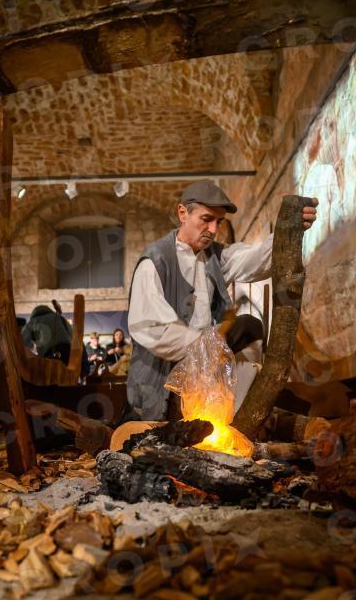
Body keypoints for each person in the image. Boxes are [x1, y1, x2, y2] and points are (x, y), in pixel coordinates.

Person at [127, 179, 318, 421]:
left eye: (218, 222)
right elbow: (152, 328)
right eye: (206, 219)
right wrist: (210, 344)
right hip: (161, 388)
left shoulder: (215, 256)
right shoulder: (155, 262)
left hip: (205, 376)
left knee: (249, 327)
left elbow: (257, 260)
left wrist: (288, 227)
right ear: (183, 213)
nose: (213, 229)